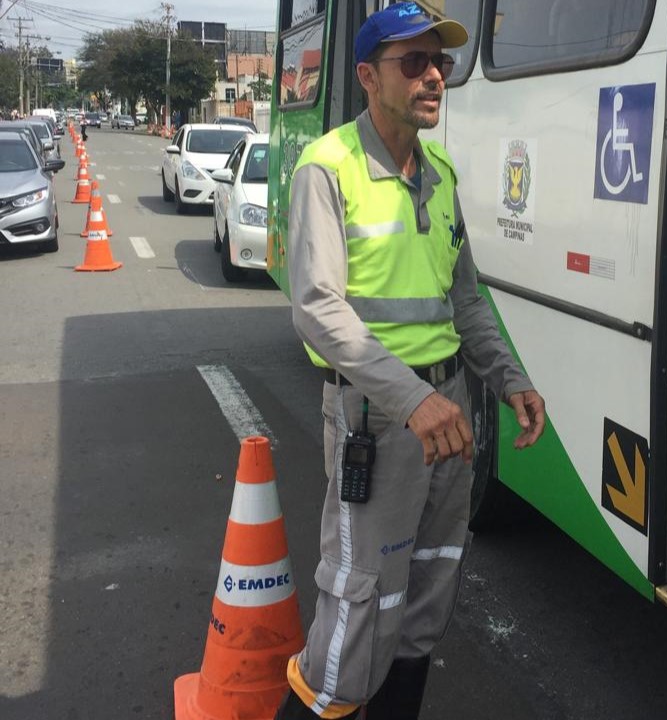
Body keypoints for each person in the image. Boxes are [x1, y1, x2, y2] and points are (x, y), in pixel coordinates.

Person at [277, 3, 546, 719]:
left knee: (426, 597)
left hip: (446, 413)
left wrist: (509, 378)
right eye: (415, 62)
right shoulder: (327, 167)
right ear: (368, 77)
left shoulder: (441, 173)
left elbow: (465, 301)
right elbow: (317, 308)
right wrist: (414, 399)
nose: (435, 77)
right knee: (358, 605)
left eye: (441, 62)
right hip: (377, 416)